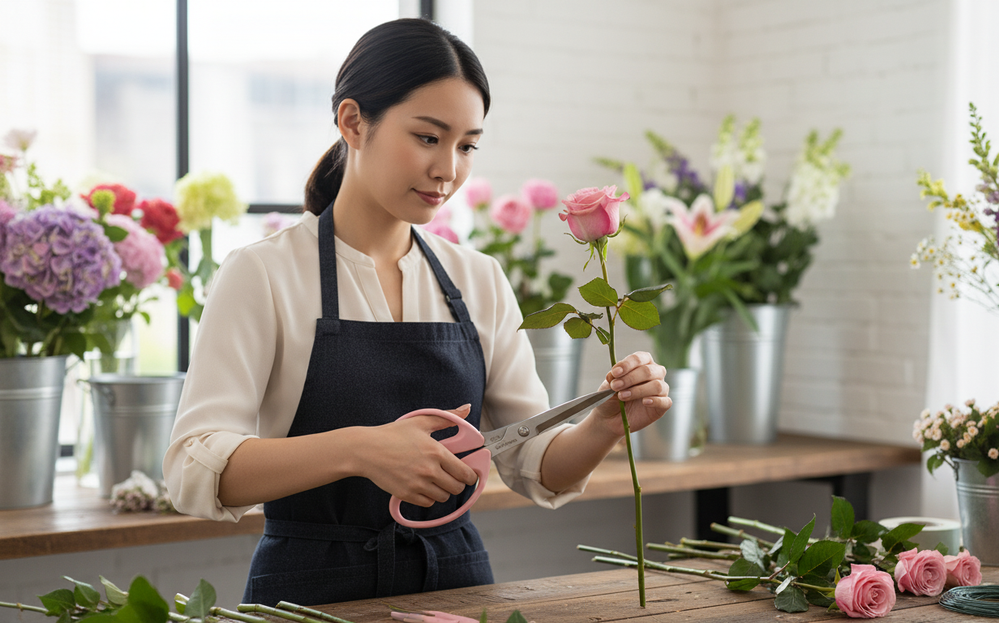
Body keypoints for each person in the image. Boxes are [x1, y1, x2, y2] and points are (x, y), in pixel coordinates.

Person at [163, 17, 671, 607]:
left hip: (456, 584)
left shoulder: (477, 278)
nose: (448, 169)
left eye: (467, 146)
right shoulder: (263, 274)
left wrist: (604, 426)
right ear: (353, 122)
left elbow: (535, 462)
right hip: (309, 593)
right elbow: (194, 471)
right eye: (428, 137)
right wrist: (361, 448)